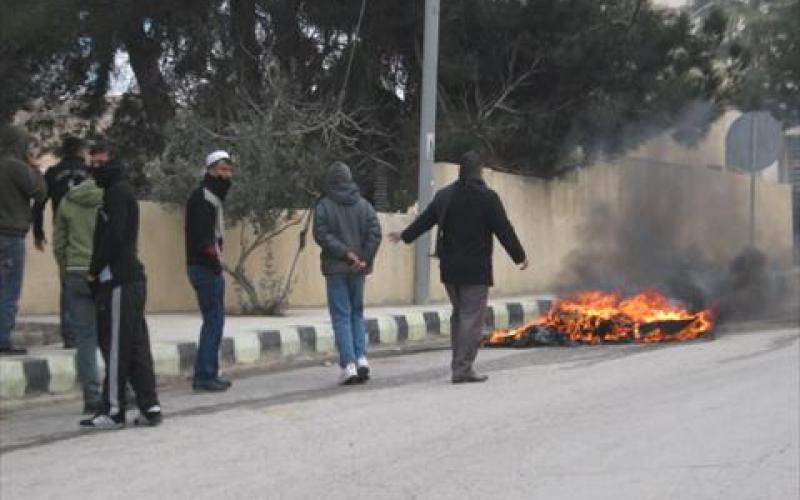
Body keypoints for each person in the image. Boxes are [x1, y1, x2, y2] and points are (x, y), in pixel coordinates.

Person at [388, 151, 528, 384]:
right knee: (471, 317)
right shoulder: (488, 198)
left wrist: (405, 235)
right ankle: (463, 368)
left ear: (460, 170)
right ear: (480, 170)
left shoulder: (445, 195)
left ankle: (459, 364)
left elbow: (426, 219)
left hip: (450, 269)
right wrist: (519, 256)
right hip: (476, 270)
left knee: (460, 315)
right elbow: (504, 229)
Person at [80, 139, 161, 429]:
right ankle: (150, 406)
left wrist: (93, 270)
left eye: (101, 163)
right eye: (93, 163)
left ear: (113, 160)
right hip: (131, 280)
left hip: (119, 281)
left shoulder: (116, 192)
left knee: (116, 346)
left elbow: (114, 238)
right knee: (136, 345)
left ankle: (114, 410)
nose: (96, 169)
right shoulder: (119, 191)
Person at [313, 161, 382, 384]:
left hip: (335, 269)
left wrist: (345, 254)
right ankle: (362, 359)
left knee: (341, 316)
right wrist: (363, 258)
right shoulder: (364, 205)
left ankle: (348, 365)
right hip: (358, 270)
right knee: (357, 314)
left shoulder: (324, 205)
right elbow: (375, 232)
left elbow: (321, 234)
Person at [33, 135, 92, 348]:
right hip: (87, 230)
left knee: (67, 281)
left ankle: (70, 334)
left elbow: (39, 203)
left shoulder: (52, 172)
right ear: (79, 150)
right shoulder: (90, 173)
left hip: (63, 231)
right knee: (90, 279)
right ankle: (88, 331)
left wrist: (38, 232)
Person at [52, 174, 104, 413]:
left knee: (85, 338)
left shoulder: (66, 201)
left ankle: (91, 396)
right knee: (111, 334)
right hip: (102, 271)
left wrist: (65, 267)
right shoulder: (107, 196)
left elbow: (59, 242)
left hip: (75, 271)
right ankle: (121, 389)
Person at [185, 151, 234, 392]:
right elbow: (205, 239)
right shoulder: (204, 198)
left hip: (204, 266)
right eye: (221, 169)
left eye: (228, 170)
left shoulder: (211, 196)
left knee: (213, 320)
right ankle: (205, 376)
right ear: (211, 170)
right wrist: (216, 263)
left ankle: (209, 372)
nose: (226, 175)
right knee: (213, 321)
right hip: (204, 268)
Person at [0, 126, 47, 356]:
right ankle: (2, 340)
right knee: (9, 290)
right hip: (10, 236)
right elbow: (39, 192)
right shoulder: (15, 167)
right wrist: (35, 167)